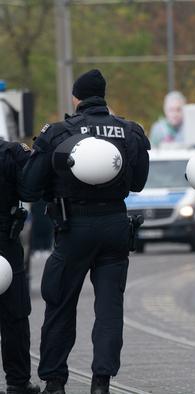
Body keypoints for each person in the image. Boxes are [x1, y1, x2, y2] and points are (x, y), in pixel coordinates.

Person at [22, 69, 150, 394]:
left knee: (60, 302)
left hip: (74, 226)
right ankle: (101, 383)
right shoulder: (129, 131)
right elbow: (137, 183)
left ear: (76, 99)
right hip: (115, 227)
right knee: (109, 308)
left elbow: (30, 186)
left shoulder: (59, 132)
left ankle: (54, 381)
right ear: (103, 97)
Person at [0, 140, 41, 394]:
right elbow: (31, 192)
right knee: (14, 313)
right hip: (5, 241)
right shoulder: (12, 152)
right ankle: (17, 382)